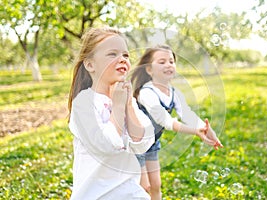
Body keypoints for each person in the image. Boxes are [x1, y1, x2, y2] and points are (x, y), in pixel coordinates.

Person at [67, 27, 155, 199]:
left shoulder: (125, 99)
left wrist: (129, 105)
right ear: (90, 64)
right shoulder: (83, 104)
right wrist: (118, 107)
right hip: (95, 195)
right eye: (112, 54)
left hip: (128, 192)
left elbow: (143, 142)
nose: (122, 59)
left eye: (125, 55)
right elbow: (107, 145)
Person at [130, 45, 223, 200]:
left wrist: (207, 129)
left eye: (171, 61)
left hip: (152, 143)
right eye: (162, 62)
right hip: (136, 144)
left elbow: (187, 114)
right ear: (149, 70)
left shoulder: (174, 93)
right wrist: (194, 132)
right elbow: (164, 120)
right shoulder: (147, 93)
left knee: (156, 185)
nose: (168, 64)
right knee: (142, 186)